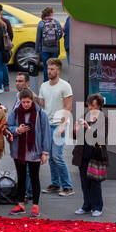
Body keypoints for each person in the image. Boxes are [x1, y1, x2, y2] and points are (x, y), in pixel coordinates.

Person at [5, 90, 52, 218]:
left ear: (32, 101)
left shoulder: (40, 114)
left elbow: (46, 133)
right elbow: (7, 128)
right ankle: (20, 204)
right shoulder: (15, 112)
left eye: (28, 102)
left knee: (34, 177)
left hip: (34, 151)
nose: (25, 104)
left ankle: (35, 206)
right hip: (19, 151)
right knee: (21, 178)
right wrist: (17, 130)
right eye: (23, 102)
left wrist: (45, 152)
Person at [39, 59, 74, 196]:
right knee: (50, 157)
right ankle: (55, 184)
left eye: (52, 69)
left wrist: (63, 125)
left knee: (57, 156)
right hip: (47, 125)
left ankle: (67, 186)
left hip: (59, 124)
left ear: (58, 70)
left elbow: (68, 107)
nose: (49, 71)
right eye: (48, 69)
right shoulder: (43, 86)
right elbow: (42, 107)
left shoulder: (65, 86)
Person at [73, 94, 108, 217]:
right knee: (84, 181)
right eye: (89, 105)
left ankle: (97, 206)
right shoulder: (85, 116)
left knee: (94, 181)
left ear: (99, 106)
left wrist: (88, 128)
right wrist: (75, 130)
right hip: (83, 153)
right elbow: (76, 136)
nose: (90, 108)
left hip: (96, 154)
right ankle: (86, 205)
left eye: (93, 106)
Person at [35, 7, 64, 79]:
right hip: (55, 49)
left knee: (46, 67)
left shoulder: (41, 23)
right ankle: (54, 81)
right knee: (54, 66)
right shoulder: (56, 22)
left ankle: (46, 82)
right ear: (51, 13)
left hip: (45, 49)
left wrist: (37, 50)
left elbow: (38, 38)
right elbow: (60, 35)